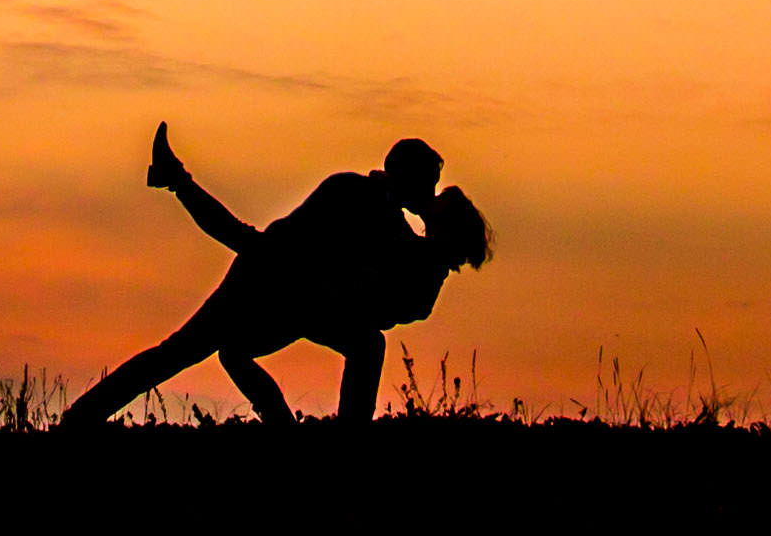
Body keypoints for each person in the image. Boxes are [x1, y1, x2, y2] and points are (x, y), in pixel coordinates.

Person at [56, 123, 495, 426]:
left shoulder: (391, 224)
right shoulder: (355, 196)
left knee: (355, 345)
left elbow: (403, 291)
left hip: (302, 300)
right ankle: (77, 420)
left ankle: (337, 441)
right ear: (405, 178)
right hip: (265, 282)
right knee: (182, 353)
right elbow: (266, 247)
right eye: (428, 185)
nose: (430, 194)